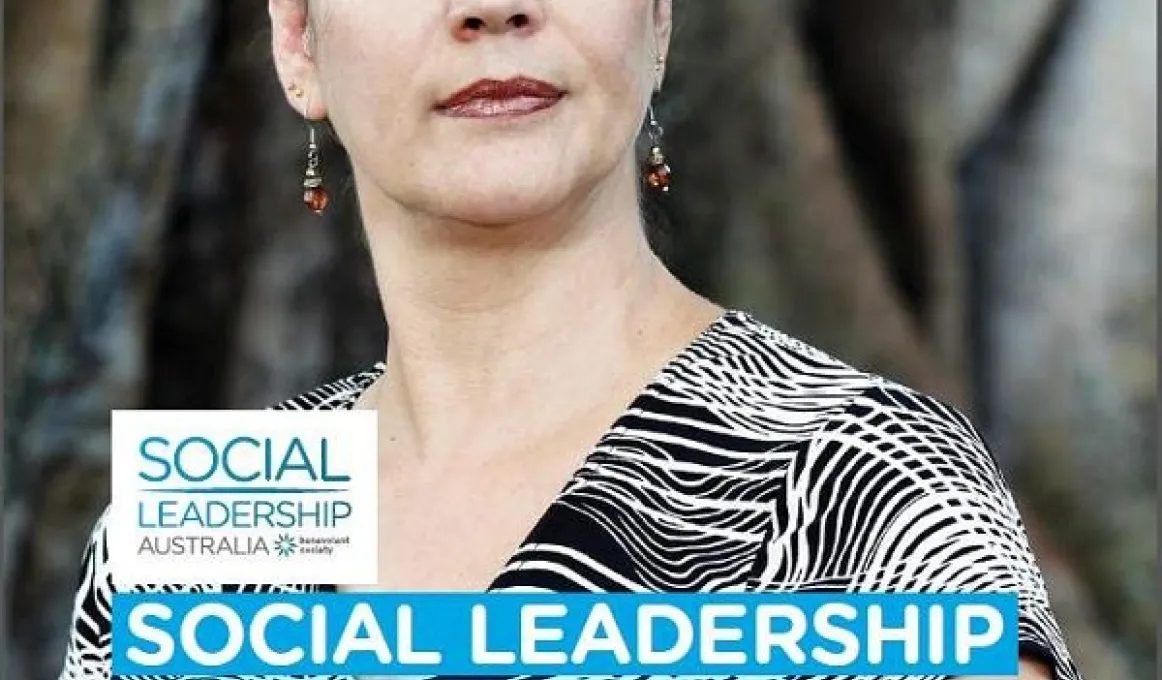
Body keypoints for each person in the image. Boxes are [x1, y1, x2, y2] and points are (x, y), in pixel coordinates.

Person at [58, 1, 1082, 679]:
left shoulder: (868, 478)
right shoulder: (202, 516)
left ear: (658, 18)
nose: (492, 6)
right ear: (297, 40)